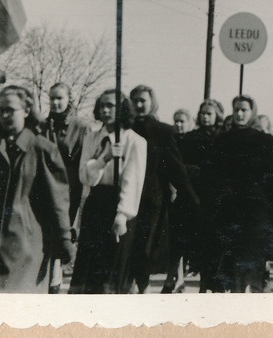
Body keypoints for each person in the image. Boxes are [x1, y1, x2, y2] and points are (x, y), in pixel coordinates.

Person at [0, 86, 74, 293]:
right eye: (1, 110)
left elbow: (58, 200)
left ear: (26, 110)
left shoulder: (43, 149)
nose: (4, 116)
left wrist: (64, 238)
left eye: (10, 110)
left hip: (26, 243)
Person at [202, 95, 273, 292]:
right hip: (229, 209)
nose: (240, 114)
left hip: (255, 209)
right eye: (237, 110)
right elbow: (213, 174)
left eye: (244, 110)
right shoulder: (222, 140)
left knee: (251, 259)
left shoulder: (264, 141)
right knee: (231, 262)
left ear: (252, 112)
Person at [69, 89, 147, 294]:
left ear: (122, 108)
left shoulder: (135, 141)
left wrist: (122, 215)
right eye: (101, 105)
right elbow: (84, 176)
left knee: (111, 270)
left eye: (110, 105)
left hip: (119, 208)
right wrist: (104, 158)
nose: (105, 110)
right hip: (96, 203)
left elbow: (132, 181)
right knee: (88, 268)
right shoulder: (92, 137)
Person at [129, 85, 199, 293]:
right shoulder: (124, 128)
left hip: (151, 197)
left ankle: (142, 286)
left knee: (144, 247)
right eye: (135, 101)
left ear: (152, 102)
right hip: (126, 194)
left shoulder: (163, 131)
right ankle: (130, 285)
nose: (140, 105)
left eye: (143, 100)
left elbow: (175, 168)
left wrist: (191, 197)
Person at [40, 82, 90, 293]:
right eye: (52, 98)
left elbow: (82, 162)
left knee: (62, 233)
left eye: (60, 98)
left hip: (69, 188)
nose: (55, 103)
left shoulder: (80, 127)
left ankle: (56, 279)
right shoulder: (43, 125)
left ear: (69, 98)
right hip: (44, 186)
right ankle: (47, 279)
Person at [178, 99, 225, 292]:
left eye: (210, 114)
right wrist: (190, 170)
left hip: (219, 197)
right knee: (201, 242)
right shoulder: (190, 138)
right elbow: (181, 163)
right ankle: (204, 282)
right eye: (203, 113)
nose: (206, 117)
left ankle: (216, 282)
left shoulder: (224, 137)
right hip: (197, 195)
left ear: (217, 116)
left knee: (218, 243)